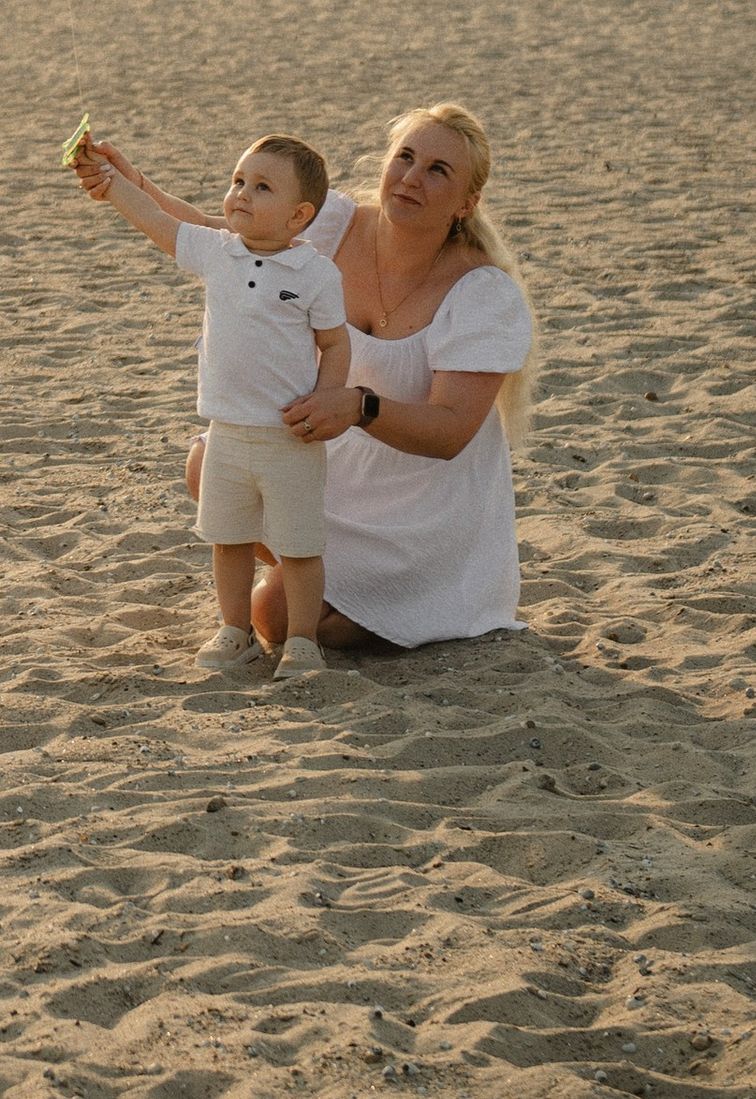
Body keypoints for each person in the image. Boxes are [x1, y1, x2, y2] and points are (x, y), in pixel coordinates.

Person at [73, 105, 535, 653]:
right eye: (405, 157)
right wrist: (132, 184)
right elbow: (225, 238)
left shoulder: (483, 292)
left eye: (438, 170)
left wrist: (359, 406)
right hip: (334, 467)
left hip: (422, 512)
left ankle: (364, 591)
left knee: (273, 617)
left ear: (466, 203)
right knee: (208, 460)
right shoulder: (333, 224)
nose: (412, 178)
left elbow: (450, 432)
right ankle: (308, 570)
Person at [88, 134, 352, 685]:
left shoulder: (317, 274)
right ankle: (235, 630)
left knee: (299, 548)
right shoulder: (217, 251)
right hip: (225, 432)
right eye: (238, 181)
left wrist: (326, 399)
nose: (241, 194)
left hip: (290, 437)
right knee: (229, 539)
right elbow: (156, 220)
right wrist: (112, 183)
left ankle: (303, 642)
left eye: (262, 187)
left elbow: (335, 344)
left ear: (299, 215)